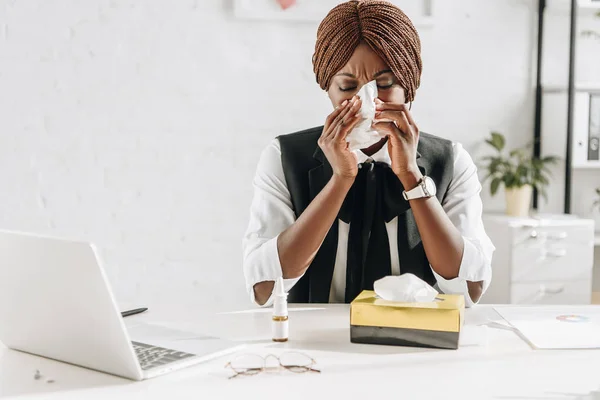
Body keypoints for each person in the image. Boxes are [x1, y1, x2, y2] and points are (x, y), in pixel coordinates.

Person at [242, 0, 495, 307]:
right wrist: (339, 179)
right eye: (348, 87)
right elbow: (264, 290)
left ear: (409, 86)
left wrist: (412, 178)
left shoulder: (450, 161)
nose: (366, 101)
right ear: (328, 89)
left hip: (415, 343)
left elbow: (469, 290)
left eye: (385, 84)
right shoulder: (283, 157)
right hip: (312, 344)